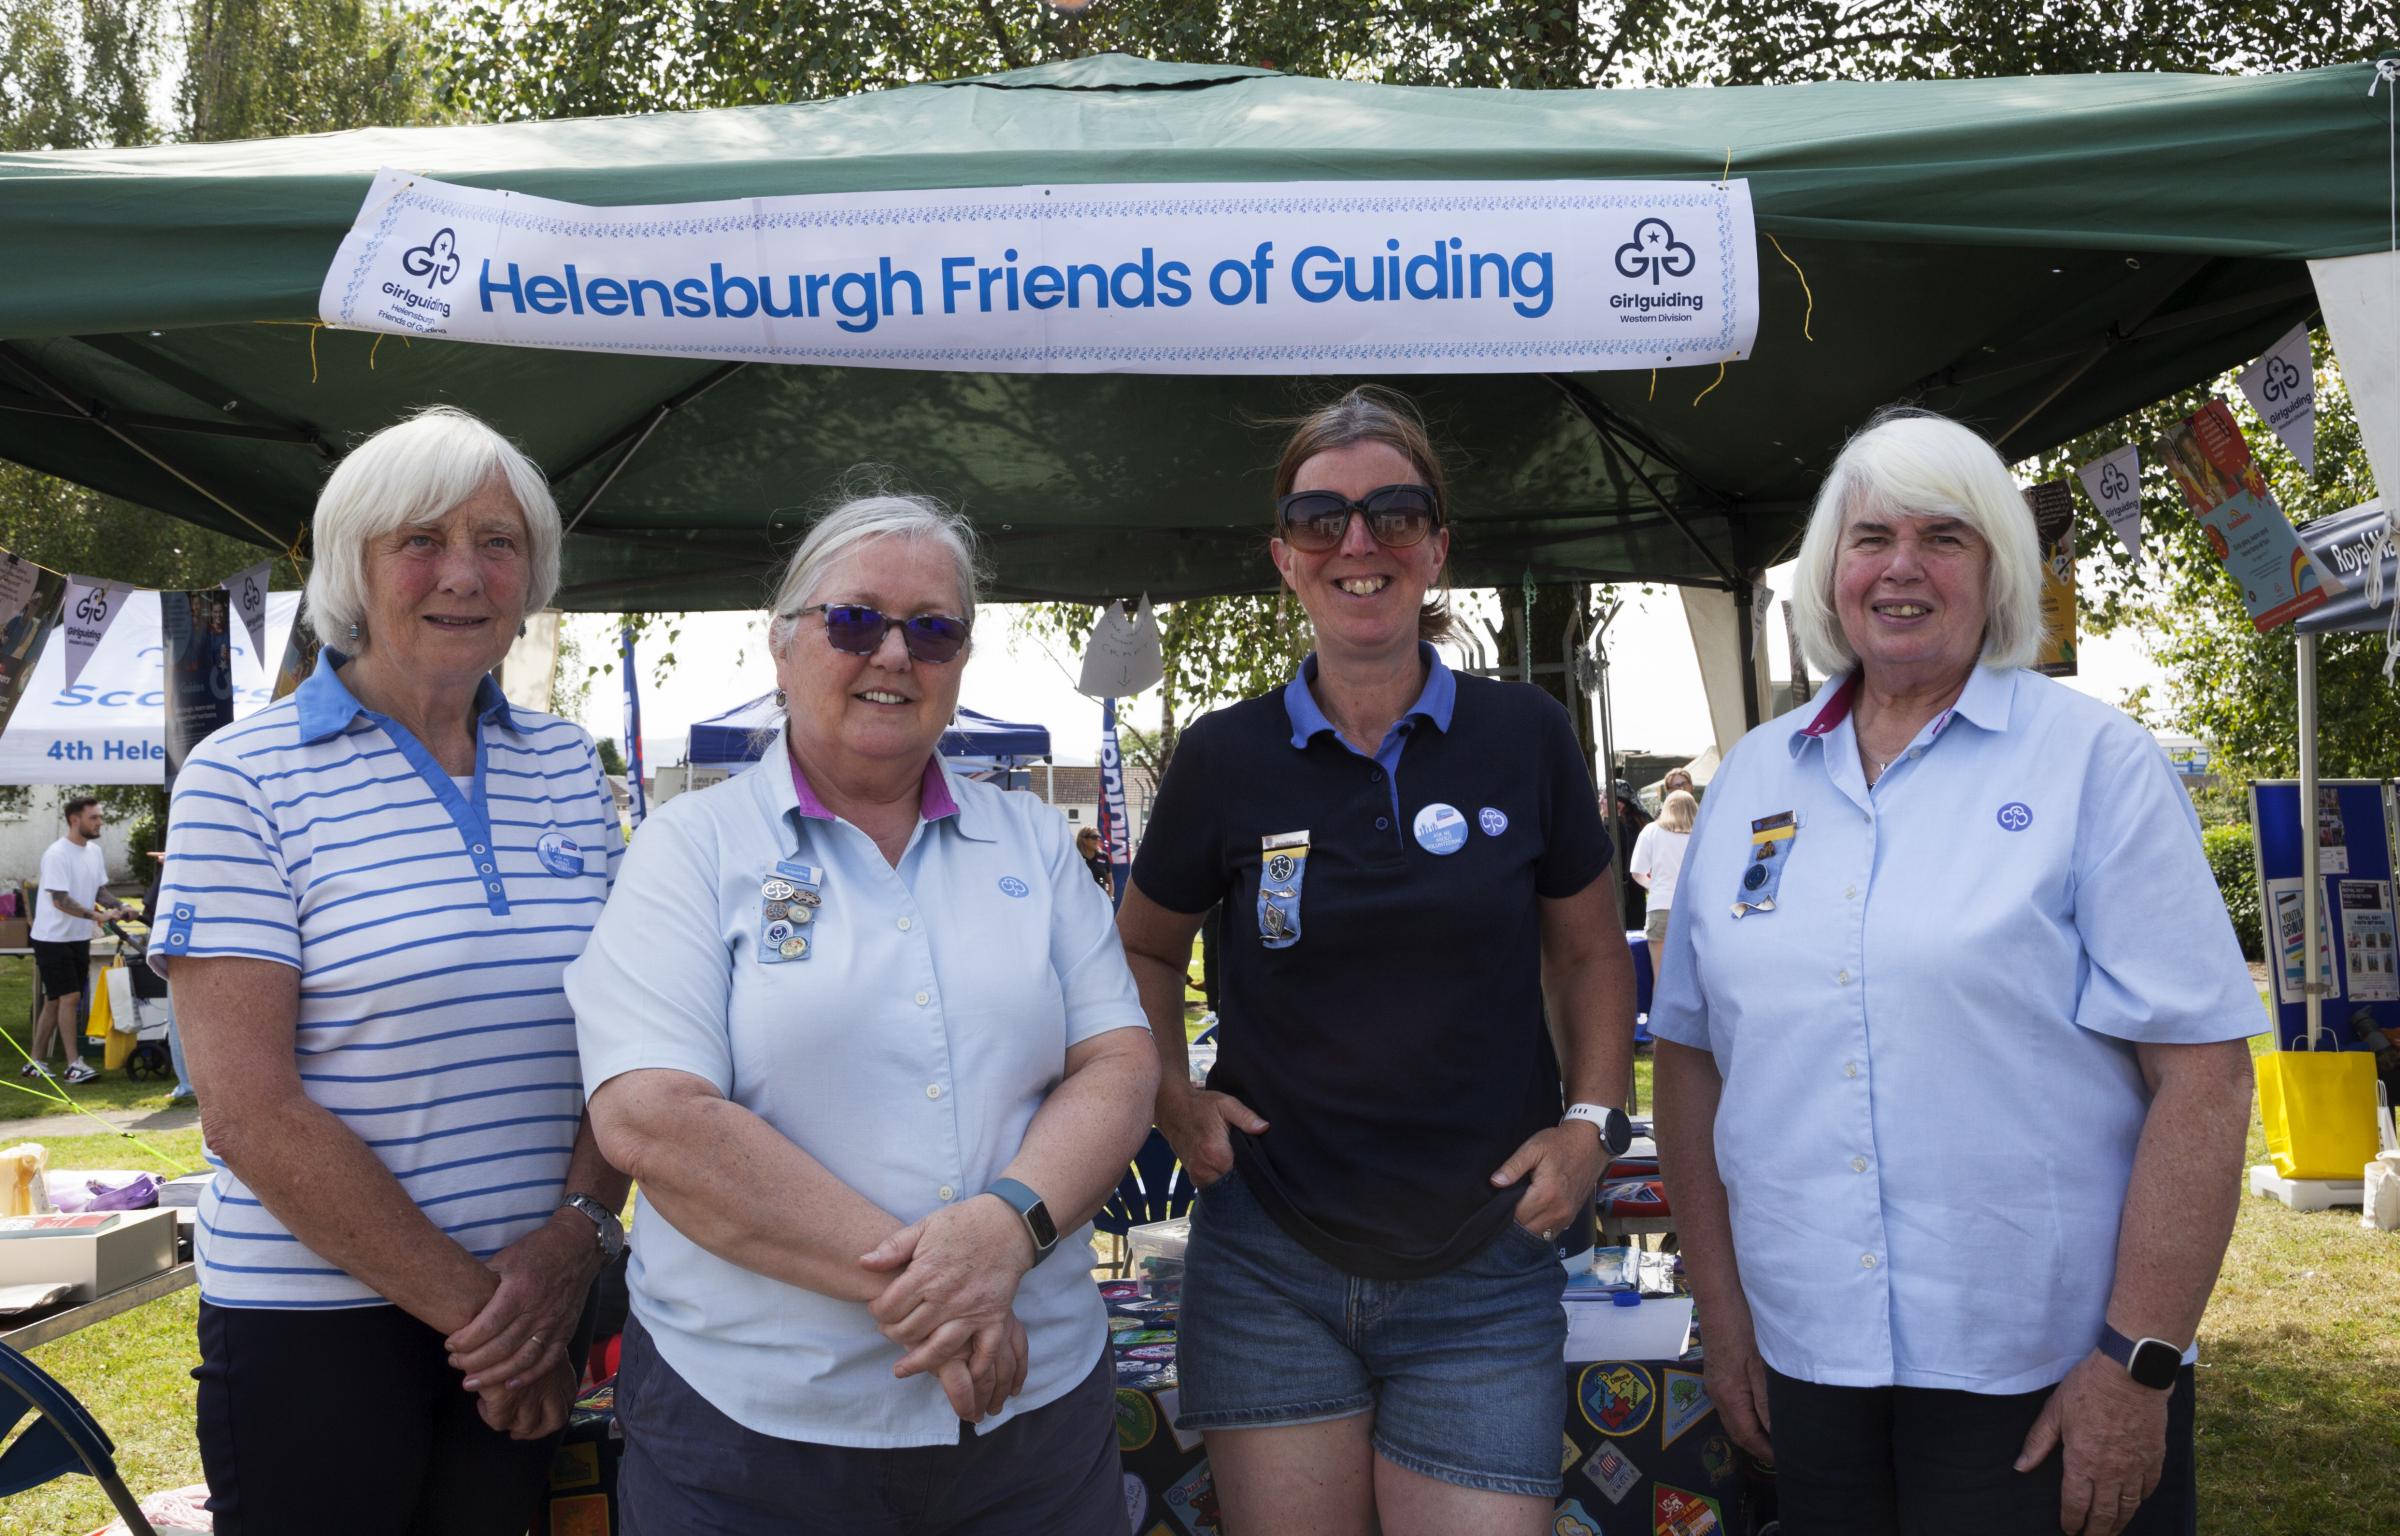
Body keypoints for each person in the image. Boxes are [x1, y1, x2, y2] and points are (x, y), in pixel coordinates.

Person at [1649, 408, 2258, 1536]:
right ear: (1831, 571)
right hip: (1809, 1360)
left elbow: (2207, 1079)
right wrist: (1724, 1318)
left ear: (1999, 570)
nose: (1902, 568)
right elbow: (1689, 1062)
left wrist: (2136, 1360)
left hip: (2043, 1370)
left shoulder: (2093, 766)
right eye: (1872, 537)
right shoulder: (1750, 783)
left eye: (1946, 537)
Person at [566, 491, 1158, 1536]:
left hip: (1031, 1422)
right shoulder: (690, 848)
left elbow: (1116, 1063)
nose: (894, 653)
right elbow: (654, 1118)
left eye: (933, 630)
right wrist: (958, 1290)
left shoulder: (1029, 842)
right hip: (756, 1434)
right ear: (783, 645)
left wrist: (1005, 1233)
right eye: (854, 621)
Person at [1116, 386, 1637, 1536]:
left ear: (1437, 548)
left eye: (1395, 514)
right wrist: (1170, 1095)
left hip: (1485, 1259)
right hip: (1268, 1259)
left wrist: (1595, 1122)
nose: (1359, 543)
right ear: (1285, 558)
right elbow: (1144, 949)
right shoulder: (1222, 757)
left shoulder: (1527, 739)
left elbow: (1592, 955)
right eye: (1322, 519)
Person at [157, 406, 633, 1536]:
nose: (464, 573)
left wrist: (575, 1237)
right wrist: (489, 1321)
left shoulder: (565, 764)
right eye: (420, 539)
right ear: (351, 570)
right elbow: (250, 1113)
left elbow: (629, 1039)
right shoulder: (244, 778)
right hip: (322, 1328)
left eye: (500, 542)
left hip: (539, 1299)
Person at [26, 795, 124, 1084]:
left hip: (77, 936)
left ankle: (35, 1061)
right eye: (94, 817)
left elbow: (99, 891)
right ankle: (73, 1064)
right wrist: (96, 917)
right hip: (52, 937)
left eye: (100, 817)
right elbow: (60, 900)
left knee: (55, 1000)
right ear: (74, 819)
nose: (99, 822)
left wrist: (119, 907)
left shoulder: (94, 851)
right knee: (70, 997)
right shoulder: (57, 854)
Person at [1629, 788, 1695, 981]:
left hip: (1660, 906)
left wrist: (1654, 885)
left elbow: (1637, 872)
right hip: (1692, 908)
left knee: (1661, 977)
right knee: (1692, 977)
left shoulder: (1651, 831)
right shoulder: (1701, 834)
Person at [1076, 823, 1111, 890]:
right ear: (1084, 839)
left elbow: (1110, 882)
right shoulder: (1076, 858)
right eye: (1094, 837)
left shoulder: (1103, 857)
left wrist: (1108, 899)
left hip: (1100, 899)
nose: (1097, 840)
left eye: (1099, 837)